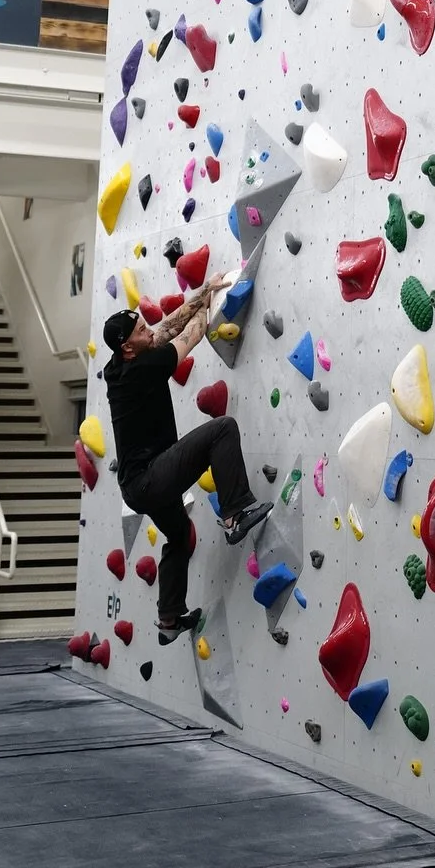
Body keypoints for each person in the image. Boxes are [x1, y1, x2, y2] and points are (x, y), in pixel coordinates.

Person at [102, 276, 270, 643]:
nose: (150, 332)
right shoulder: (142, 369)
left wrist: (206, 289)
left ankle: (169, 618)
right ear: (128, 349)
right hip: (149, 478)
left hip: (139, 483)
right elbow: (190, 334)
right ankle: (235, 515)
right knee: (223, 429)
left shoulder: (123, 361)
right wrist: (217, 300)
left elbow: (168, 324)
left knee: (179, 534)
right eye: (141, 332)